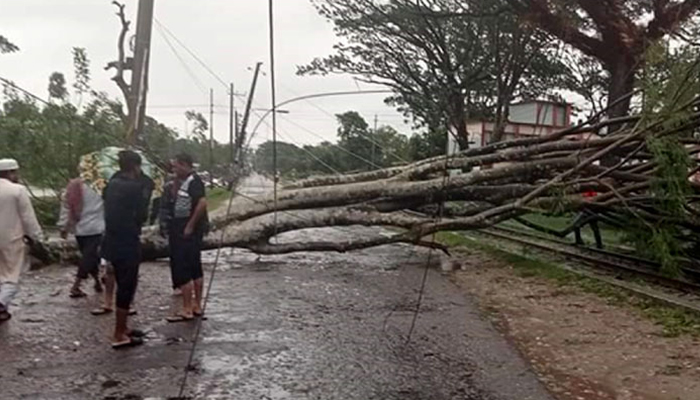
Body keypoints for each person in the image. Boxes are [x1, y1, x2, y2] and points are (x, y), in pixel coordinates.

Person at [101, 151, 153, 349]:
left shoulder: (112, 183)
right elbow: (142, 215)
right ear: (136, 167)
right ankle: (118, 334)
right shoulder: (136, 188)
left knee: (122, 281)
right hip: (127, 239)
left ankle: (123, 328)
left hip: (111, 239)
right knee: (127, 285)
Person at [165, 153, 208, 323]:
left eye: (176, 166)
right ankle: (196, 305)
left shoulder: (194, 181)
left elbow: (202, 203)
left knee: (185, 268)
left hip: (185, 229)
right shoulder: (182, 182)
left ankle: (188, 308)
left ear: (184, 165)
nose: (174, 170)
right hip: (182, 228)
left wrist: (190, 225)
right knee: (194, 266)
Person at [0, 159, 43, 323]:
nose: (16, 176)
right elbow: (28, 217)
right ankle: (1, 304)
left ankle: (3, 309)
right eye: (15, 172)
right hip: (12, 240)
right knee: (11, 275)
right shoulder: (17, 190)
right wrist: (36, 236)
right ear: (9, 172)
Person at [58, 177, 105, 298]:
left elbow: (66, 207)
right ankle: (76, 286)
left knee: (89, 256)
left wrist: (63, 227)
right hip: (97, 227)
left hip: (80, 228)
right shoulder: (103, 187)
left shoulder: (73, 186)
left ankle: (97, 282)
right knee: (89, 257)